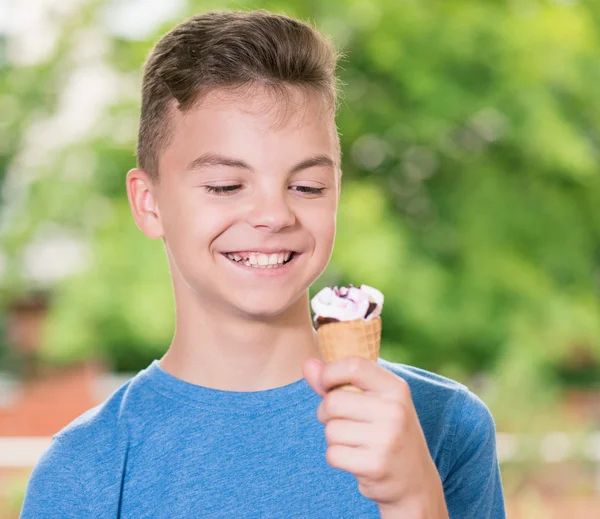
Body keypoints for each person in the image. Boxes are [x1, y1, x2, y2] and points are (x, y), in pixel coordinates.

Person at [19, 9, 506, 518]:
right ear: (148, 203)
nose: (274, 215)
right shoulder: (84, 471)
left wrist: (415, 500)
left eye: (307, 186)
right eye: (226, 185)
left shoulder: (443, 425)